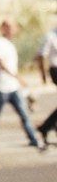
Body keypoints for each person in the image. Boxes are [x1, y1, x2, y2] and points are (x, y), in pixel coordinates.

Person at [0, 18, 42, 149]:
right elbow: (0, 63)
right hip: (2, 88)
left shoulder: (10, 44)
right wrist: (18, 77)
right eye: (10, 28)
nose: (13, 31)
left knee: (24, 114)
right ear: (4, 28)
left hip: (13, 88)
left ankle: (33, 139)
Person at [34, 12, 57, 146]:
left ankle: (48, 125)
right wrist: (43, 76)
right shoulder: (51, 36)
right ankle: (47, 125)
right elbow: (41, 55)